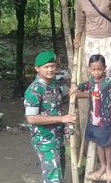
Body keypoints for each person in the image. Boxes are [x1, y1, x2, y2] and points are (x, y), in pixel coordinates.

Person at [70, 54, 111, 182]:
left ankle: (108, 168)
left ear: (105, 68)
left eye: (99, 69)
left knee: (106, 145)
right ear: (89, 69)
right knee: (99, 144)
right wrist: (76, 87)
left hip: (105, 120)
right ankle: (102, 166)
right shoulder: (91, 80)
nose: (96, 72)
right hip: (93, 120)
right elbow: (84, 85)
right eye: (93, 69)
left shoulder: (108, 82)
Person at [24, 50, 76, 183]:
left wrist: (94, 94)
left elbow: (71, 92)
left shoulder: (54, 84)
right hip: (45, 139)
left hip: (58, 137)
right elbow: (31, 118)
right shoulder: (34, 90)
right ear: (37, 68)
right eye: (46, 67)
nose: (50, 70)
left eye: (52, 66)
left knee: (59, 172)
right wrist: (62, 118)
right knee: (53, 177)